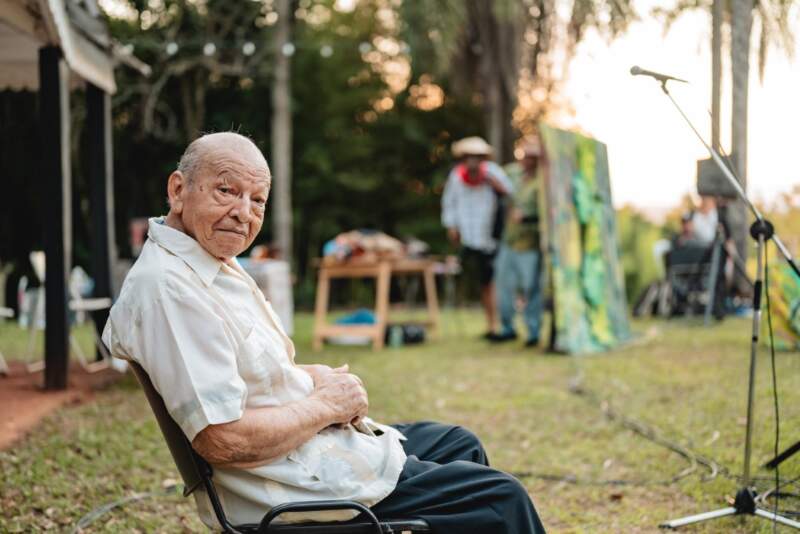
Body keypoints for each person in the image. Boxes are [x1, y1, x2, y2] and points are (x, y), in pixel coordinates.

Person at [102, 132, 545, 534]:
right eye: (226, 191)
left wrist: (316, 379)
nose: (243, 213)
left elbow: (250, 372)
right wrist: (325, 405)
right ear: (178, 190)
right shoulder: (170, 289)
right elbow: (223, 438)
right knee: (500, 500)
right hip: (287, 483)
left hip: (301, 452)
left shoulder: (204, 261)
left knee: (459, 444)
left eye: (257, 200)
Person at [441, 136, 513, 338]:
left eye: (477, 157)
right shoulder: (456, 176)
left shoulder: (493, 172)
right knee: (479, 281)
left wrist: (495, 184)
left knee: (492, 281)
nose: (472, 161)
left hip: (492, 237)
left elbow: (510, 193)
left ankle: (498, 325)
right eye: (469, 157)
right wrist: (451, 226)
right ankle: (490, 325)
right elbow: (449, 203)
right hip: (468, 237)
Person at [491, 139, 544, 346]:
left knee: (530, 288)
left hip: (530, 244)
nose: (527, 160)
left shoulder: (543, 181)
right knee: (503, 287)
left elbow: (550, 214)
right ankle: (507, 328)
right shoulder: (512, 173)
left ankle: (533, 331)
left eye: (532, 157)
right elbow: (493, 175)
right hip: (508, 241)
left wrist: (528, 217)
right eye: (525, 155)